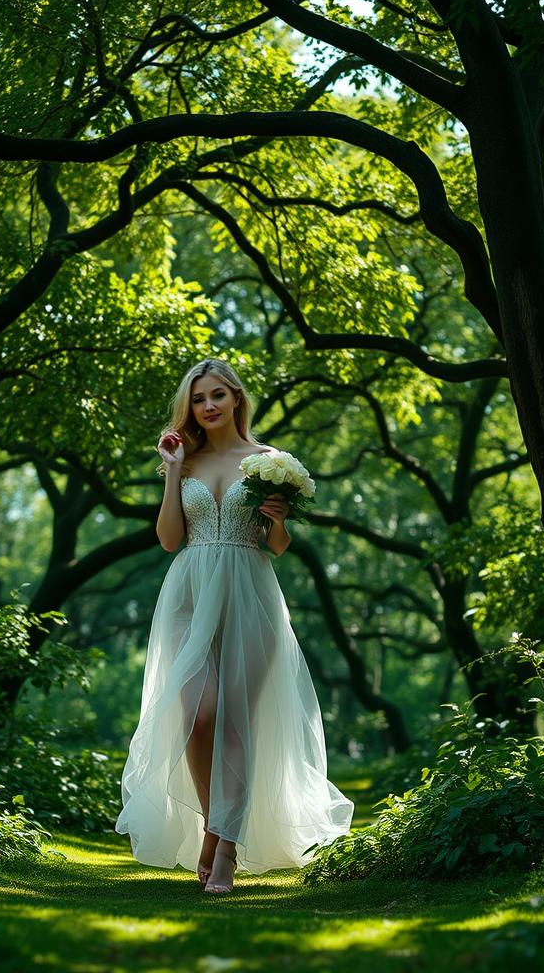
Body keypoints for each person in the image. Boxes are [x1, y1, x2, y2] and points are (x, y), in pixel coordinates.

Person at [114, 358, 354, 895]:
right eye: (199, 399)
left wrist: (279, 521)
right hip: (189, 591)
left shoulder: (269, 462)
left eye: (218, 395)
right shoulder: (186, 461)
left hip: (251, 592)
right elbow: (170, 540)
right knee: (198, 713)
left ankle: (224, 847)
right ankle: (211, 822)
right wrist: (173, 470)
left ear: (237, 400)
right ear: (191, 407)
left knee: (237, 718)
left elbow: (278, 547)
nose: (209, 405)